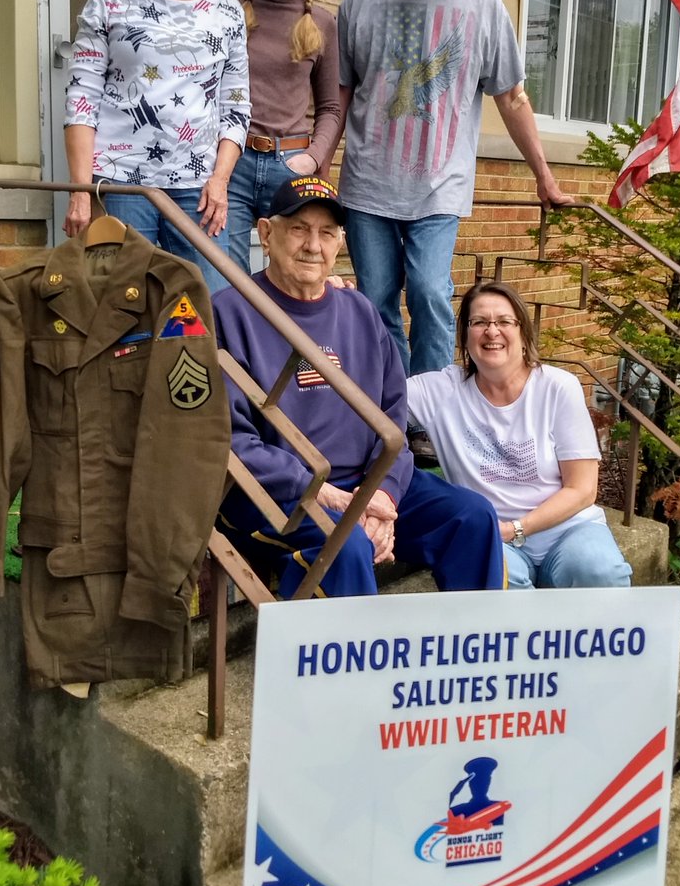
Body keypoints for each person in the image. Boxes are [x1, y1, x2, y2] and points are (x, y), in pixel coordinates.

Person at [212, 175, 505, 599]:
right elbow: (230, 439)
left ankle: (469, 656)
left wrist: (381, 497)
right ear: (265, 233)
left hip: (364, 487)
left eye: (327, 233)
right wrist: (328, 496)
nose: (313, 245)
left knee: (472, 516)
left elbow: (393, 419)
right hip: (276, 494)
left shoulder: (360, 310)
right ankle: (339, 664)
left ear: (340, 242)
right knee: (343, 545)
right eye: (298, 229)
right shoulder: (228, 312)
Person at [337, 0, 575, 387]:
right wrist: (315, 158)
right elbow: (340, 92)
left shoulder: (483, 6)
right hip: (368, 183)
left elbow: (512, 97)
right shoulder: (360, 0)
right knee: (375, 298)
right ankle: (392, 406)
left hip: (439, 186)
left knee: (427, 292)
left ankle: (429, 412)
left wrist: (544, 177)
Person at [63, 0, 250, 292]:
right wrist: (80, 191)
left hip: (198, 191)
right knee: (124, 312)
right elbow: (82, 98)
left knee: (208, 309)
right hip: (124, 185)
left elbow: (236, 106)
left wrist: (219, 181)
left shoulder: (226, 10)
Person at [407, 281, 632, 590]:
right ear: (465, 337)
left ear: (524, 333)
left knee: (600, 571)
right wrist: (338, 303)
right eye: (479, 322)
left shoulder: (557, 387)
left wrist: (516, 528)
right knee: (496, 584)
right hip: (492, 537)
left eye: (503, 321)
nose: (491, 331)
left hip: (567, 529)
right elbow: (370, 391)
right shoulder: (441, 391)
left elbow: (582, 490)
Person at [227, 0, 340, 272]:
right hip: (232, 164)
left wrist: (312, 157)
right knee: (223, 279)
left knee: (291, 280)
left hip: (289, 167)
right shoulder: (226, 9)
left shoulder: (321, 23)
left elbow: (330, 108)